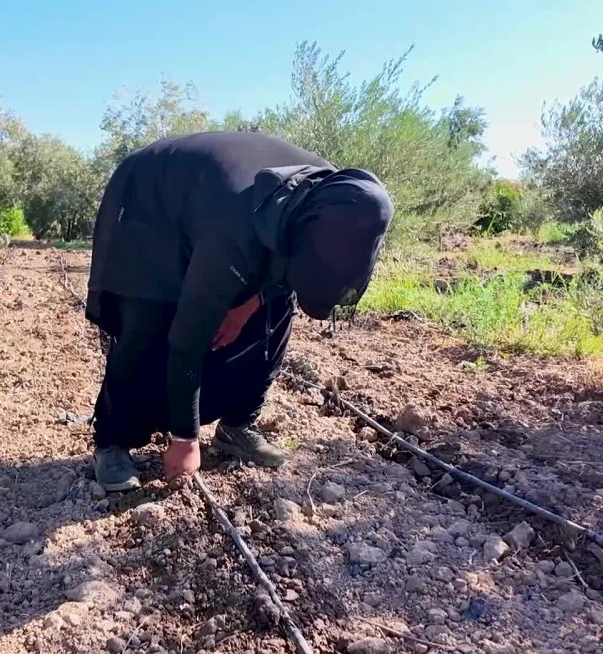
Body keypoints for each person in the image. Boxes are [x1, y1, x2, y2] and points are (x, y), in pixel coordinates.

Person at [86, 130, 393, 491]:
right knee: (147, 323)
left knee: (274, 316)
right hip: (149, 203)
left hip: (219, 205)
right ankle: (112, 441)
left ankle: (237, 426)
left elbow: (287, 267)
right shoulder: (234, 231)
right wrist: (186, 440)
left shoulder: (337, 199)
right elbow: (187, 341)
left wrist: (249, 304)